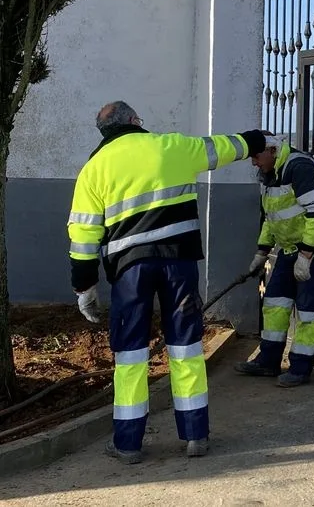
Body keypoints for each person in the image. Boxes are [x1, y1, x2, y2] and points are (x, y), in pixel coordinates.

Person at [66, 101, 266, 464]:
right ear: (134, 121)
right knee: (186, 346)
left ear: (105, 132)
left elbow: (83, 235)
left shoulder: (93, 169)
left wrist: (85, 287)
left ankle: (128, 444)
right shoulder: (172, 146)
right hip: (179, 263)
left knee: (130, 355)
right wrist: (256, 140)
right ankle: (195, 436)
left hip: (130, 271)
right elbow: (222, 148)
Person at [233, 134, 314, 387]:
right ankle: (268, 361)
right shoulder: (269, 173)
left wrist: (306, 255)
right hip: (292, 244)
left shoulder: (298, 168)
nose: (253, 163)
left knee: (307, 307)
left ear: (272, 150)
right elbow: (274, 217)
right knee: (275, 301)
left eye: (256, 157)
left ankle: (301, 368)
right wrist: (262, 251)